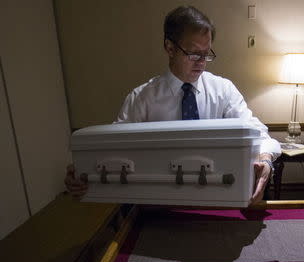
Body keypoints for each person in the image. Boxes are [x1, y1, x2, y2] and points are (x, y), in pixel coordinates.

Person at [66, 5, 281, 204]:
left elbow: (260, 135)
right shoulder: (142, 98)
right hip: (157, 205)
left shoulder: (223, 91)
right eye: (194, 53)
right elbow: (112, 150)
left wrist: (266, 160)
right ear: (170, 48)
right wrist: (83, 174)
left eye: (206, 54)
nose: (201, 61)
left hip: (218, 199)